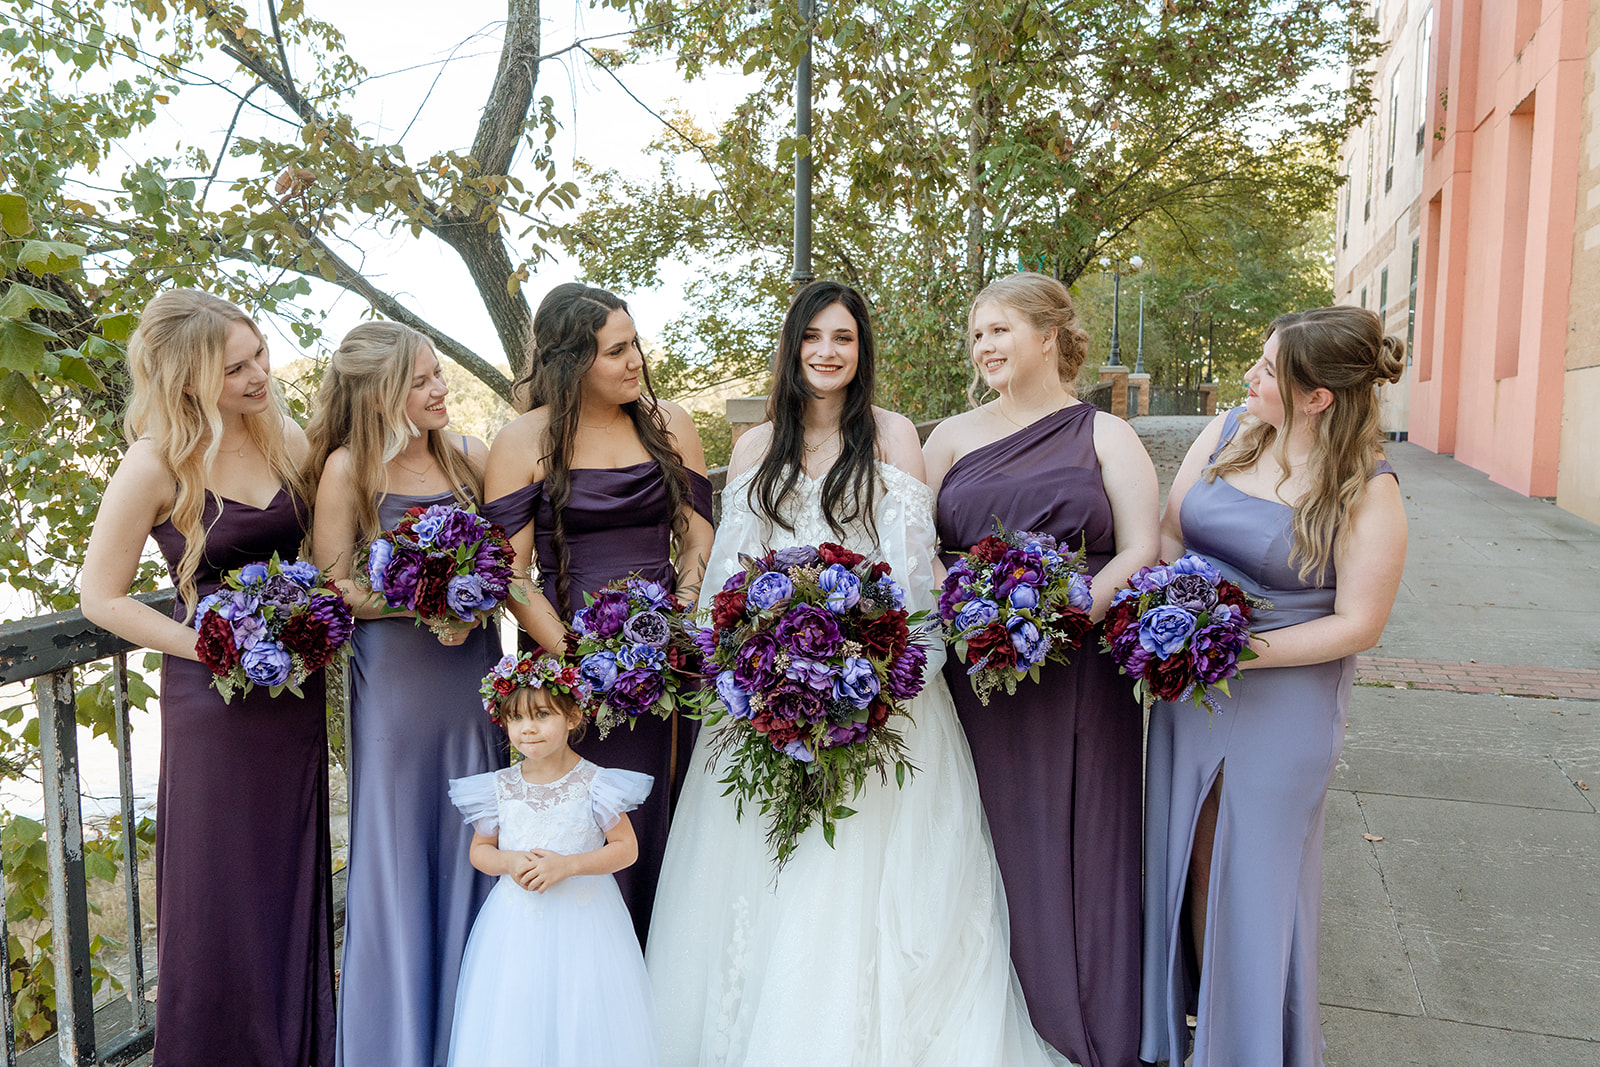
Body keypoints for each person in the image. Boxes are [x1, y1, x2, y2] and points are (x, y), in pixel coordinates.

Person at [646, 279, 1074, 1067]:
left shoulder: (895, 436)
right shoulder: (754, 448)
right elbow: (723, 589)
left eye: (842, 337)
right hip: (763, 697)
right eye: (812, 337)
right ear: (792, 347)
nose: (826, 352)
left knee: (857, 886)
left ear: (861, 349)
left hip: (877, 696)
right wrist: (755, 673)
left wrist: (874, 684)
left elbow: (915, 584)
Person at [1139, 306, 1408, 1067]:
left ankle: (1248, 1047)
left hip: (1283, 696)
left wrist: (1233, 648)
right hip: (1190, 687)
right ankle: (1203, 1029)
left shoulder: (1368, 490)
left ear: (1317, 395)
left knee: (1252, 870)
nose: (1250, 377)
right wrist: (1167, 617)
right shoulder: (1227, 431)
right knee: (1191, 851)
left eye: (1268, 369)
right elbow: (1169, 528)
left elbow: (1360, 623)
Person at [79, 289, 335, 1066]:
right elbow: (100, 594)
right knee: (221, 886)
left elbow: (327, 555)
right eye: (237, 367)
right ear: (189, 378)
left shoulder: (283, 433)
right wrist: (210, 645)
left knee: (289, 875)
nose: (260, 375)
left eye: (260, 355)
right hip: (214, 700)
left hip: (293, 692)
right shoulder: (156, 460)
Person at [923, 272, 1157, 1067]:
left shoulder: (1104, 434)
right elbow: (914, 550)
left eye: (1000, 330)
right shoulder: (948, 437)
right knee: (984, 837)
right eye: (978, 333)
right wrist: (974, 615)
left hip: (1076, 673)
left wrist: (1069, 607)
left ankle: (1082, 1024)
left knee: (1079, 843)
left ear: (1049, 335)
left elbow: (1141, 547)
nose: (984, 346)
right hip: (975, 679)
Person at [481, 282, 714, 942]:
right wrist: (575, 658)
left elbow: (698, 535)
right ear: (571, 361)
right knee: (584, 826)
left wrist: (679, 616)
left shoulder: (671, 423)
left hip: (665, 662)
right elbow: (511, 573)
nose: (635, 360)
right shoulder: (522, 441)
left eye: (635, 342)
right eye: (616, 351)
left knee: (658, 819)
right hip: (568, 671)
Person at [305, 321, 506, 1067]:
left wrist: (469, 596)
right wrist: (423, 600)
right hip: (395, 684)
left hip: (471, 679)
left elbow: (503, 562)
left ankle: (475, 1034)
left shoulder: (469, 460)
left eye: (438, 372)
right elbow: (333, 588)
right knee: (400, 845)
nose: (439, 387)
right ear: (385, 392)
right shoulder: (347, 471)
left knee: (477, 833)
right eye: (421, 379)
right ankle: (398, 1043)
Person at [445, 651, 656, 1067]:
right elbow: (480, 851)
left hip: (587, 923)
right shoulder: (498, 787)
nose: (528, 728)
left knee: (582, 1011)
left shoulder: (597, 784)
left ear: (573, 717)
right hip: (515, 925)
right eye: (517, 718)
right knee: (516, 1012)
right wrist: (507, 862)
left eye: (542, 714)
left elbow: (625, 849)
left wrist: (569, 865)